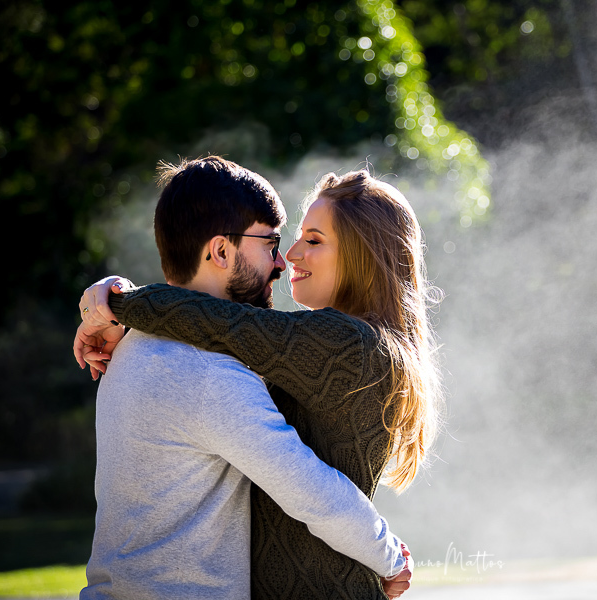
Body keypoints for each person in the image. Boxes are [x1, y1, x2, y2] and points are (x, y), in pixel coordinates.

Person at [76, 161, 442, 599]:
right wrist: (388, 555)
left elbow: (222, 325)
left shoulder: (136, 347)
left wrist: (113, 299)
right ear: (222, 252)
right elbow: (311, 490)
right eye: (271, 243)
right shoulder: (209, 372)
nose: (283, 261)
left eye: (309, 241)